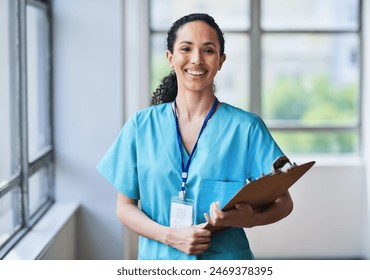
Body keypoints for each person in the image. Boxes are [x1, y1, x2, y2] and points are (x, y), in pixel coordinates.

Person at [97, 13, 293, 260]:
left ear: (221, 60)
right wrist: (170, 236)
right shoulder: (141, 125)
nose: (197, 60)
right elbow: (124, 208)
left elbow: (284, 202)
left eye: (208, 50)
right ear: (170, 57)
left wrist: (250, 218)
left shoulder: (246, 128)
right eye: (186, 49)